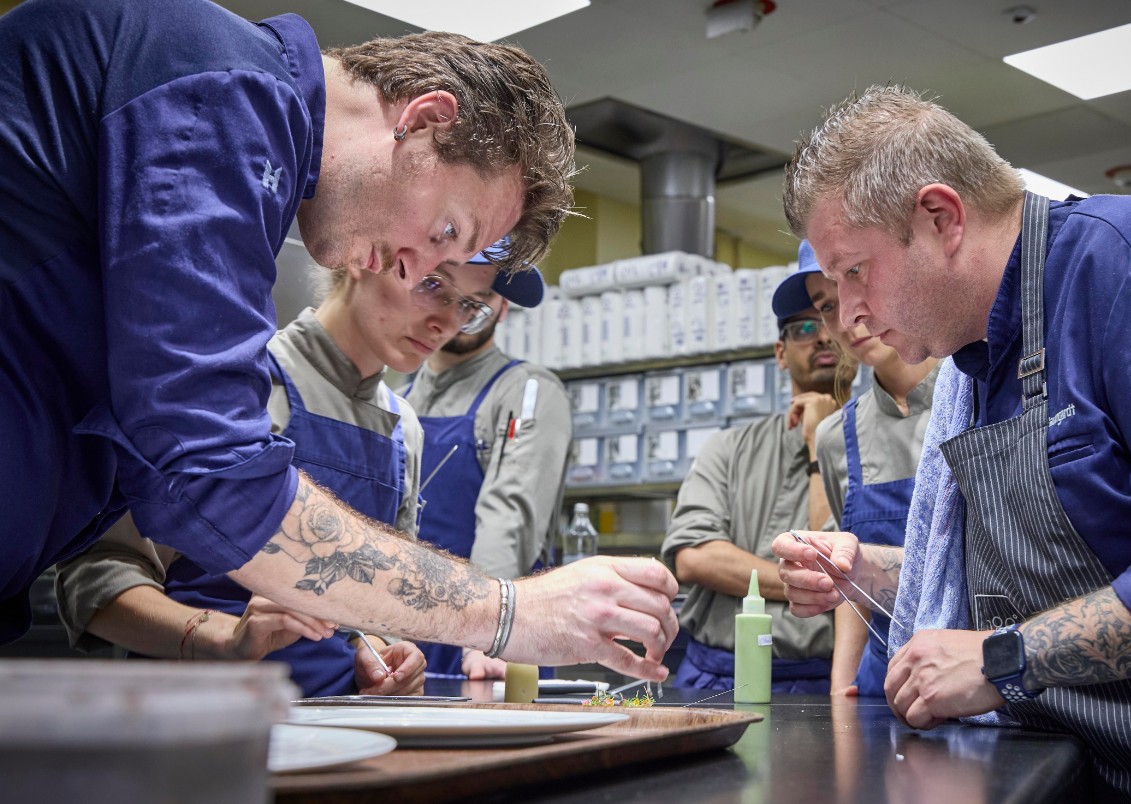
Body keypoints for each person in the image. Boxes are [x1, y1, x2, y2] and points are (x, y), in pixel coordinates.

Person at [0, 0, 677, 682]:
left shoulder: (250, 159)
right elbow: (207, 470)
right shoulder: (223, 79)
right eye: (445, 233)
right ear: (424, 122)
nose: (416, 270)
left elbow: (160, 463)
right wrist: (507, 613)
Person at [776, 84, 1131, 801]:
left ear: (940, 217)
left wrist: (1004, 660)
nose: (849, 315)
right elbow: (1074, 570)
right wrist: (872, 570)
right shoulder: (980, 362)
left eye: (854, 273)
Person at [54, 253, 500, 695]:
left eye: (469, 305)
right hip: (196, 731)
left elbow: (380, 603)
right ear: (370, 254)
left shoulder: (405, 429)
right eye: (434, 285)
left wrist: (384, 652)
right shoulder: (234, 388)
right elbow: (95, 575)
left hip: (344, 740)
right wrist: (223, 639)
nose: (447, 323)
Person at [772, 240, 938, 698]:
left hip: (974, 668)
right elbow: (852, 578)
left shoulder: (971, 398)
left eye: (857, 278)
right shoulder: (836, 437)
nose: (846, 316)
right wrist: (842, 683)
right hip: (885, 683)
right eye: (827, 305)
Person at [401, 245, 572, 680]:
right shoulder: (396, 399)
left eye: (481, 298)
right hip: (402, 635)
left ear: (503, 309)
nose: (460, 310)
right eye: (443, 288)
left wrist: (485, 631)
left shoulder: (526, 390)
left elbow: (509, 515)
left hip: (487, 644)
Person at [660, 304, 844, 693]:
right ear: (781, 353)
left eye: (833, 319)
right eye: (805, 327)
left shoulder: (876, 451)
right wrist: (805, 584)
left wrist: (820, 442)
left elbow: (833, 560)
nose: (824, 336)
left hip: (825, 682)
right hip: (714, 677)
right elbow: (693, 557)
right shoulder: (728, 447)